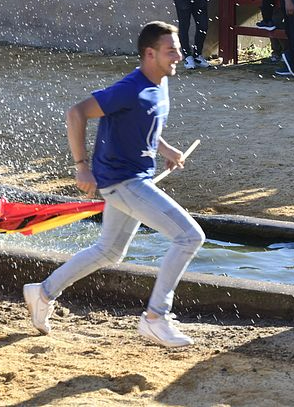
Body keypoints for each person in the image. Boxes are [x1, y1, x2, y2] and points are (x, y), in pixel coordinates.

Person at [22, 20, 204, 348]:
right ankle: (155, 318)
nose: (178, 56)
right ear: (149, 54)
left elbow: (144, 123)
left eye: (177, 49)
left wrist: (166, 150)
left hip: (135, 178)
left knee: (109, 251)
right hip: (123, 182)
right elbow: (76, 113)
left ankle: (43, 293)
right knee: (189, 236)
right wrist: (81, 167)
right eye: (171, 51)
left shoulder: (160, 83)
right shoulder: (130, 88)